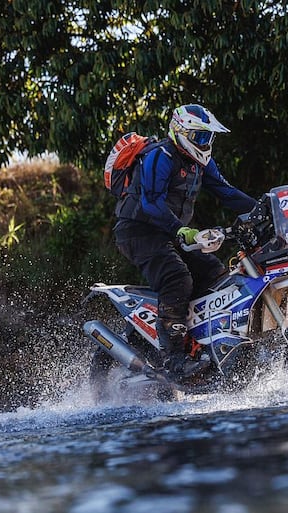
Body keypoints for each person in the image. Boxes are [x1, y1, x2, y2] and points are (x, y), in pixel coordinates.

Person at [113, 104, 257, 382]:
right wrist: (184, 232)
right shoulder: (160, 156)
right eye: (199, 137)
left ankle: (203, 346)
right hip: (138, 231)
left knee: (216, 274)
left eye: (208, 138)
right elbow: (150, 203)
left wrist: (263, 210)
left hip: (170, 232)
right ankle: (174, 360)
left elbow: (226, 192)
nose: (205, 143)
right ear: (180, 132)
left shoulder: (201, 162)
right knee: (177, 278)